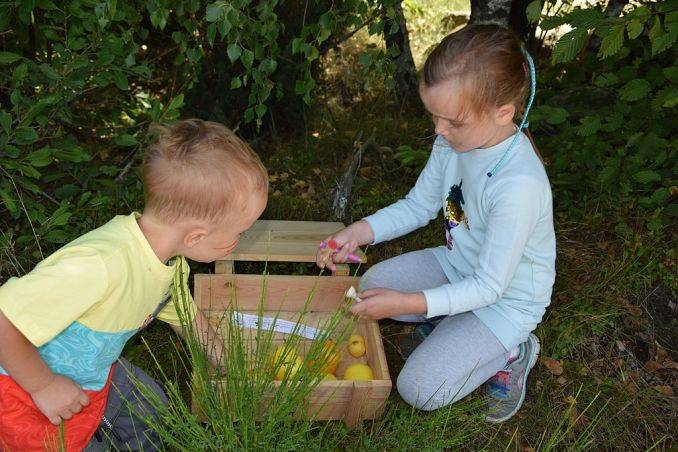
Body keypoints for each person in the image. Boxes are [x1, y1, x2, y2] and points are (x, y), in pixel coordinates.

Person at [317, 24, 556, 423]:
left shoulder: (519, 187)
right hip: (457, 266)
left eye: (452, 122)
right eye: (434, 117)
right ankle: (451, 322)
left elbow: (490, 287)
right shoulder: (452, 141)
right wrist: (358, 231)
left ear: (503, 113)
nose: (438, 131)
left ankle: (512, 351)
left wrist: (409, 303)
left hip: (504, 302)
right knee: (373, 286)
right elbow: (418, 205)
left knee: (420, 390)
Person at [0, 119, 268, 450]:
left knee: (150, 407)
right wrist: (43, 385)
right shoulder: (100, 266)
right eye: (239, 232)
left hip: (93, 368)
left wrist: (230, 365)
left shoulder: (170, 265)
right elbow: (5, 319)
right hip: (21, 382)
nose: (239, 241)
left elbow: (188, 319)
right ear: (196, 235)